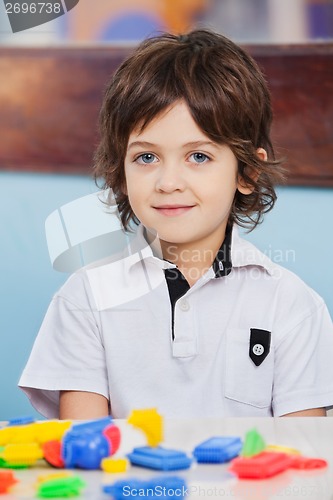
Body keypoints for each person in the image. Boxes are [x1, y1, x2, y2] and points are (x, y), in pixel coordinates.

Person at [19, 29, 333, 419]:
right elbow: (84, 455)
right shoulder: (85, 298)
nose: (168, 182)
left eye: (198, 156)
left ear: (248, 171)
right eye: (146, 158)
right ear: (121, 170)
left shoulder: (291, 305)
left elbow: (303, 459)